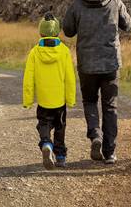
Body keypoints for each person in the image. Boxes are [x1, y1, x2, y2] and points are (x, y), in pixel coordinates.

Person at [63, 0, 131, 165]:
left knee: (90, 101)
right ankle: (109, 153)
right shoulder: (115, 2)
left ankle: (95, 134)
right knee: (110, 106)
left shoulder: (77, 5)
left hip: (87, 64)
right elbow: (127, 25)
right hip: (111, 63)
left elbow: (68, 31)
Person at [23, 13, 77, 170]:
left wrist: (28, 99)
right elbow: (69, 78)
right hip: (59, 101)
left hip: (43, 100)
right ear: (57, 32)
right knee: (60, 128)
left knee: (43, 124)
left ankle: (46, 143)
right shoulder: (64, 51)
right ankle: (60, 157)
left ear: (41, 32)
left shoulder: (34, 52)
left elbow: (28, 77)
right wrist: (71, 99)